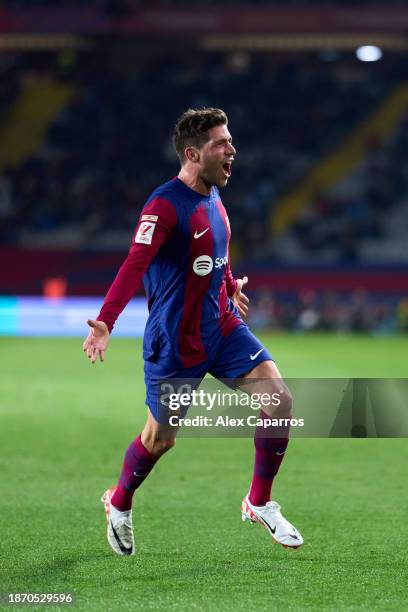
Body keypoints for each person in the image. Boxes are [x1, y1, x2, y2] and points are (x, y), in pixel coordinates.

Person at [83, 108, 303, 556]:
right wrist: (106, 321)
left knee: (279, 400)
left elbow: (212, 256)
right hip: (177, 342)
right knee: (160, 439)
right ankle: (119, 502)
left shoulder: (214, 198)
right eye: (221, 144)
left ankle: (258, 502)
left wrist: (227, 285)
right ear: (192, 153)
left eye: (230, 141)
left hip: (221, 326)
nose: (232, 150)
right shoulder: (163, 205)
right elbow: (134, 264)